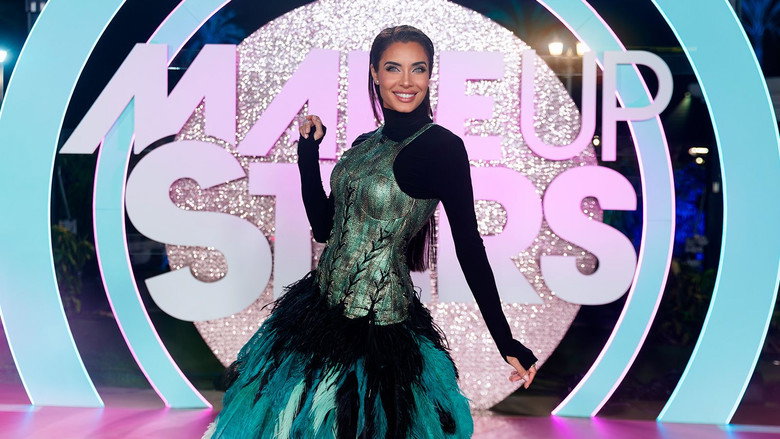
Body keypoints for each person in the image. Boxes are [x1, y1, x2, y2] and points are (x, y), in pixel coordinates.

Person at [203, 25, 537, 439]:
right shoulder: (365, 142)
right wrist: (308, 153)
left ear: (430, 75)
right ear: (375, 74)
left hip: (381, 330)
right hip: (316, 315)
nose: (406, 81)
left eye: (418, 69)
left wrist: (505, 340)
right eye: (393, 68)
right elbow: (324, 228)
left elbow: (469, 247)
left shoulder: (443, 148)